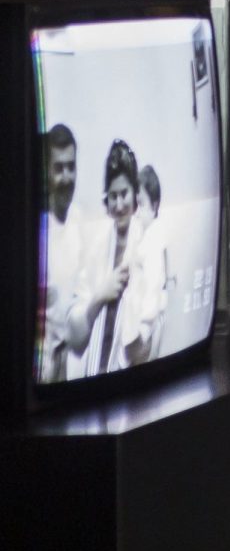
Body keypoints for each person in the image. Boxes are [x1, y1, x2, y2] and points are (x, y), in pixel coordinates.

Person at [68, 139, 142, 375]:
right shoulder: (96, 247)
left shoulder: (147, 243)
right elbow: (74, 337)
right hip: (95, 375)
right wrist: (100, 295)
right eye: (113, 196)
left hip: (134, 375)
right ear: (106, 200)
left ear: (135, 195)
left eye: (124, 194)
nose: (119, 205)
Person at [38, 123, 84, 382]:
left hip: (73, 364)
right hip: (45, 369)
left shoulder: (79, 219)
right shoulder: (38, 231)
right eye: (58, 168)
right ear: (47, 170)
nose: (66, 177)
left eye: (71, 167)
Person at [121, 164, 169, 365]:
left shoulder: (154, 238)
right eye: (136, 205)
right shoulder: (143, 233)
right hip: (136, 323)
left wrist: (143, 331)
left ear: (155, 205)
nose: (137, 212)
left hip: (143, 330)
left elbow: (154, 283)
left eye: (141, 205)